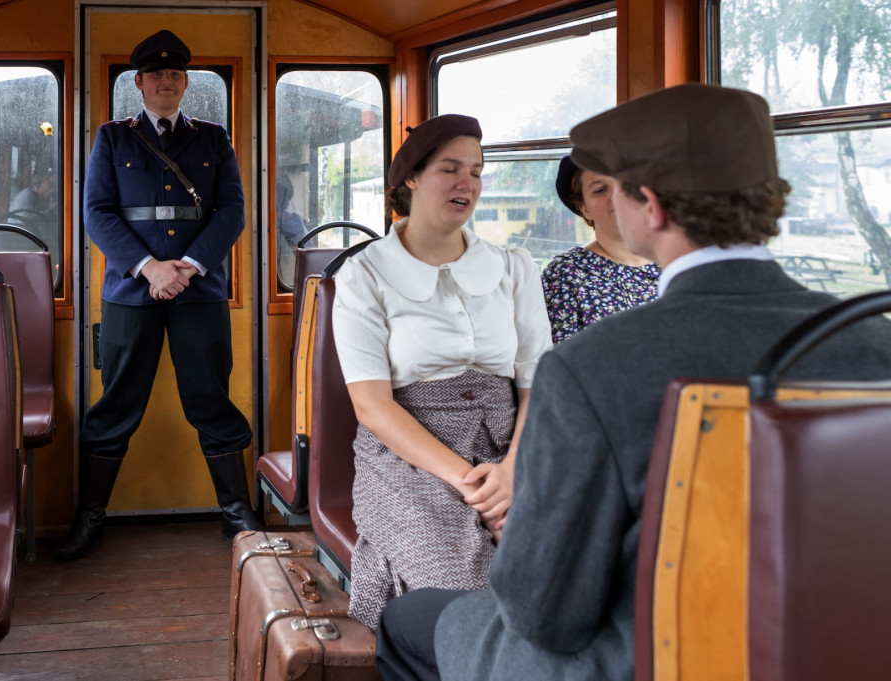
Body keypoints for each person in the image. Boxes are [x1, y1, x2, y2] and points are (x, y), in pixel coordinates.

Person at [373, 83, 891, 681]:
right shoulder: (874, 347)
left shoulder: (594, 368)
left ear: (652, 205)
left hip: (642, 660)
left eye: (615, 190)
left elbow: (544, 614)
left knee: (408, 619)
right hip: (831, 654)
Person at [331, 114, 551, 629]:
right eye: (450, 169)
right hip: (411, 456)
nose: (466, 183)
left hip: (511, 444)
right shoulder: (364, 274)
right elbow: (372, 406)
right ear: (412, 176)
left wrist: (513, 468)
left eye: (475, 171)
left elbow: (536, 380)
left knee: (565, 571)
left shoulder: (514, 267)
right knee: (466, 591)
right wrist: (476, 487)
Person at [55, 29, 260, 561]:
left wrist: (187, 268)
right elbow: (96, 213)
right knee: (117, 403)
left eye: (175, 74)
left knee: (212, 400)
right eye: (156, 74)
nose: (166, 81)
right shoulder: (113, 137)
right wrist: (149, 269)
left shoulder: (213, 138)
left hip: (199, 291)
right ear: (139, 84)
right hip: (131, 291)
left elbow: (232, 211)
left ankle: (237, 515)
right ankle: (90, 519)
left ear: (185, 82)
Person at [541, 155, 660, 343]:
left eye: (625, 185)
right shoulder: (566, 274)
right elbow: (562, 361)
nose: (617, 196)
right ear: (583, 208)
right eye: (600, 190)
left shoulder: (673, 260)